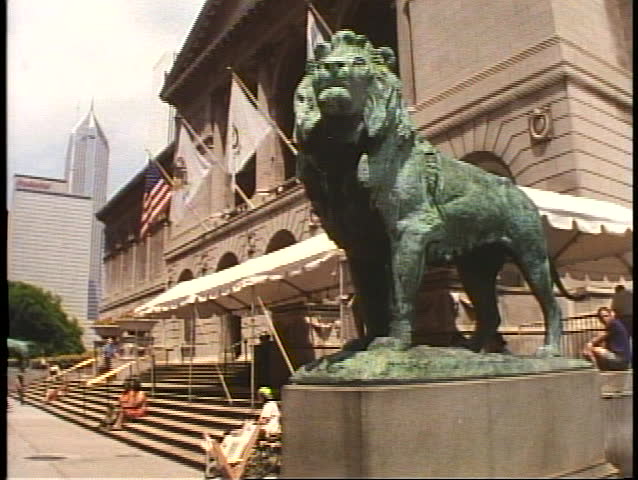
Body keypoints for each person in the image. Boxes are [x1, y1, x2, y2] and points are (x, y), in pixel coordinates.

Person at [583, 307, 631, 371]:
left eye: (606, 316)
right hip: (621, 360)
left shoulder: (614, 324)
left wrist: (590, 343)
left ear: (611, 315)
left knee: (594, 350)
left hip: (621, 360)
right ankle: (601, 369)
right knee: (595, 350)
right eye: (601, 317)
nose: (604, 319)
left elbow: (602, 336)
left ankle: (596, 371)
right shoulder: (614, 325)